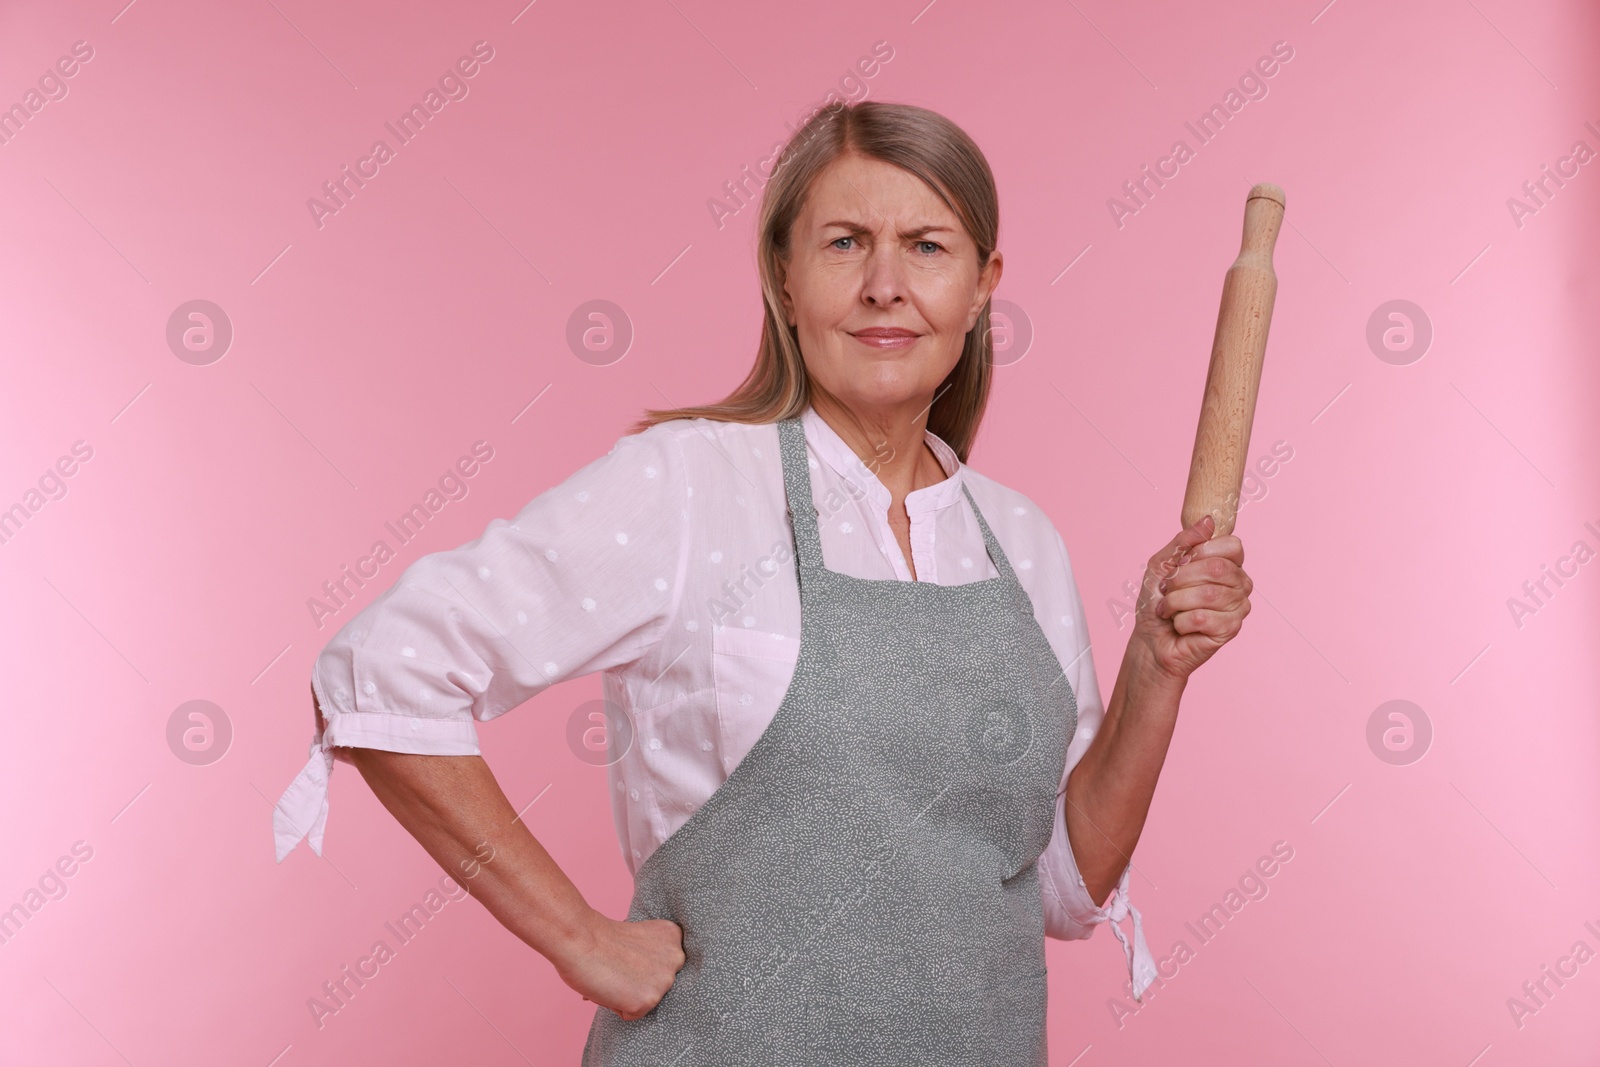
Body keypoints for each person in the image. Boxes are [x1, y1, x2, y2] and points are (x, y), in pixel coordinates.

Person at [271, 99, 1252, 1065]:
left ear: (983, 283)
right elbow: (380, 669)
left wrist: (1155, 668)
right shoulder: (692, 485)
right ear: (784, 279)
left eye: (925, 246)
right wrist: (580, 939)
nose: (883, 285)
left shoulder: (1020, 540)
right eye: (841, 243)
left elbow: (1062, 885)